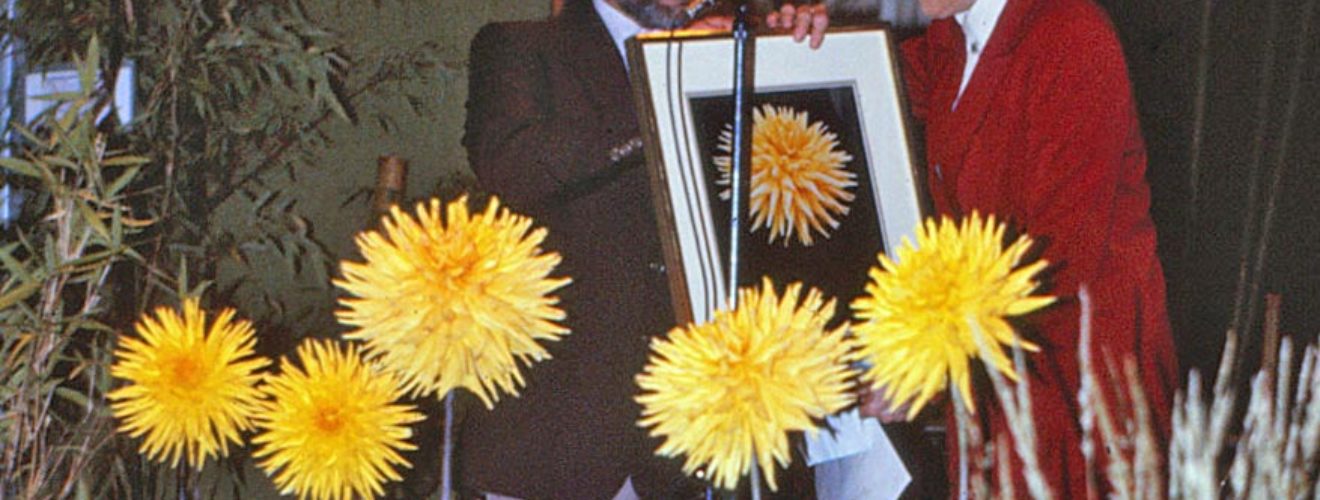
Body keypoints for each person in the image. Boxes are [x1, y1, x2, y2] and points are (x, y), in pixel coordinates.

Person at [459, 1, 827, 498]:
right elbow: (513, 166)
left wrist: (800, 54)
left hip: (700, 447)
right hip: (560, 443)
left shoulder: (739, 45)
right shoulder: (521, 46)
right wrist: (672, 75)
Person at [861, 0, 1180, 496]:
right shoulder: (953, 32)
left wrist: (926, 363)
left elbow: (1056, 261)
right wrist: (799, 38)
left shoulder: (1073, 37)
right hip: (1000, 391)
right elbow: (868, 74)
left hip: (1081, 397)